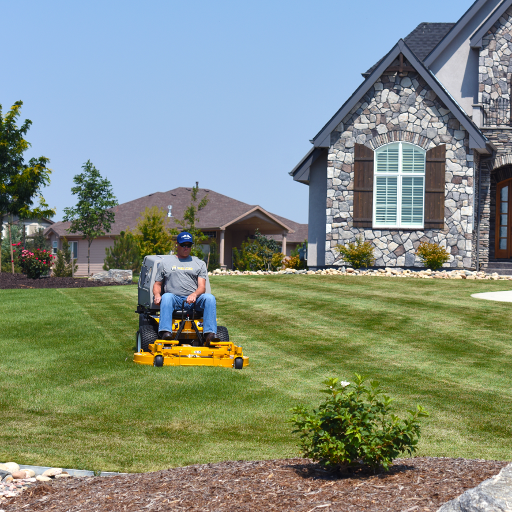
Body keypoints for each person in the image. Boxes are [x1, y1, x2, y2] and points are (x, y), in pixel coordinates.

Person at [153, 231, 217, 345]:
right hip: (174, 299)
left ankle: (210, 334)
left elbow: (202, 287)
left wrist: (194, 294)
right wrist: (157, 295)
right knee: (166, 296)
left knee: (210, 298)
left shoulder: (199, 263)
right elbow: (157, 284)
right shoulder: (165, 263)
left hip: (194, 300)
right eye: (183, 245)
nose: (186, 248)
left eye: (189, 245)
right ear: (177, 244)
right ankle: (165, 333)